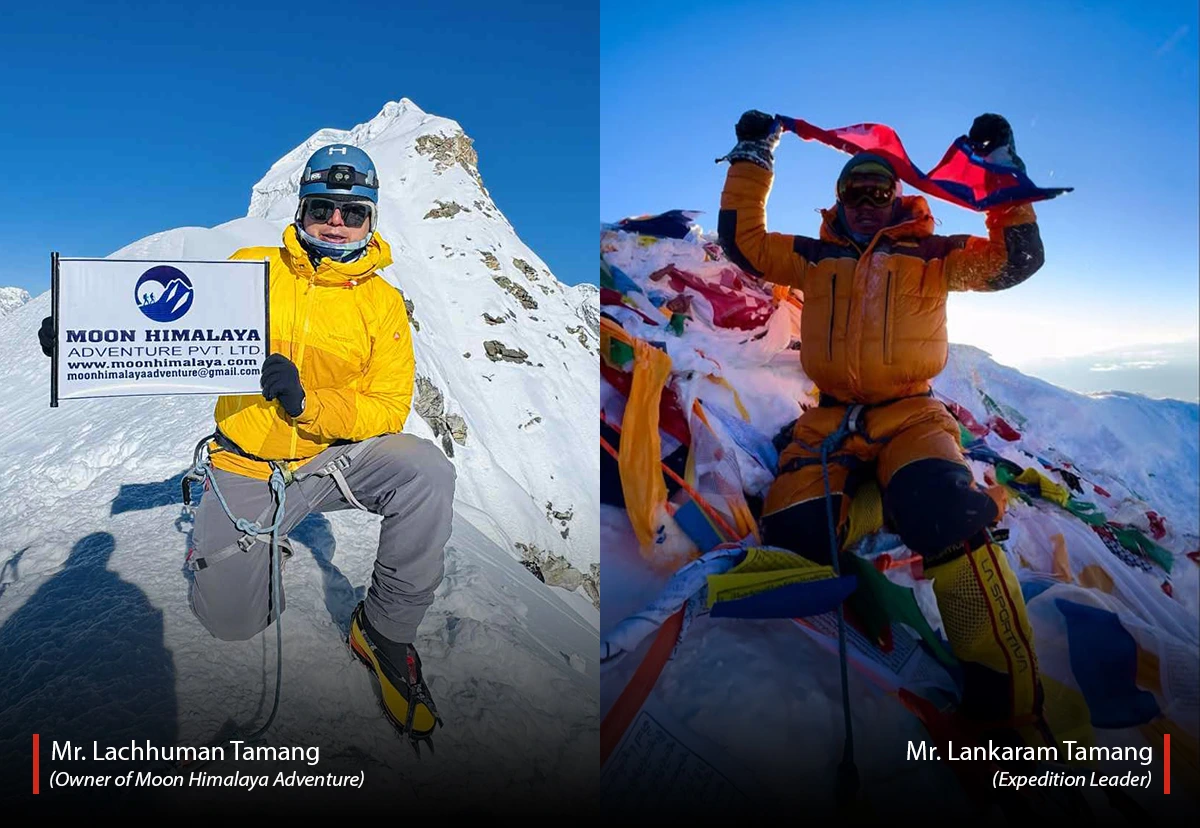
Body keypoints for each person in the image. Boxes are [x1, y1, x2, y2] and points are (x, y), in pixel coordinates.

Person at [38, 143, 456, 748]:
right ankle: (244, 540)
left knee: (425, 469)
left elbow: (388, 408)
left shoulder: (382, 301)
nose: (336, 222)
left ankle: (384, 631)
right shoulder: (252, 267)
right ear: (302, 210)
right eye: (322, 208)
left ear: (371, 219)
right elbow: (170, 329)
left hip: (329, 461)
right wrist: (81, 341)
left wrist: (308, 404)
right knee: (232, 623)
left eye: (352, 212)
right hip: (244, 462)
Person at [718, 111, 1049, 746]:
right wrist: (753, 153)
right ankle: (873, 505)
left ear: (897, 195)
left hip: (910, 413)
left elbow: (1017, 260)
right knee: (796, 542)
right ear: (838, 198)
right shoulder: (814, 256)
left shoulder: (935, 253)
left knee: (948, 516)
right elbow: (743, 240)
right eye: (854, 190)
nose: (868, 200)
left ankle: (1009, 709)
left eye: (879, 189)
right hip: (830, 419)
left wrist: (1002, 166)